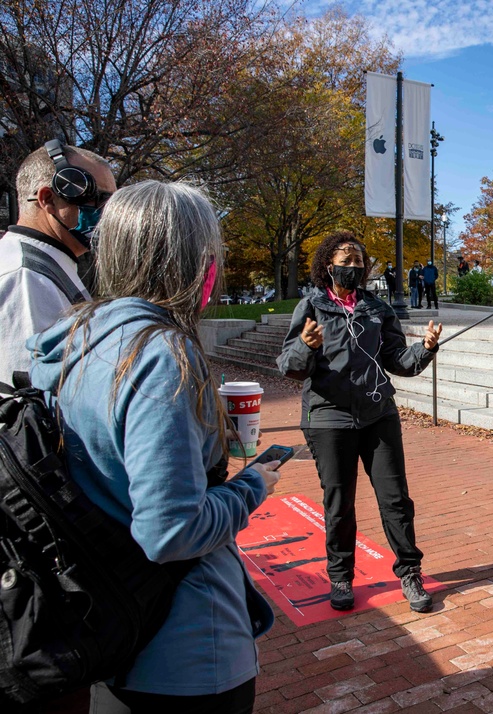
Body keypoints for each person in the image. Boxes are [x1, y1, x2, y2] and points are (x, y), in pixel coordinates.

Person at [27, 181, 278, 712]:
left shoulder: (76, 334)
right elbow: (172, 530)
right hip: (186, 647)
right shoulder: (161, 355)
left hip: (109, 621)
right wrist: (254, 485)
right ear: (195, 262)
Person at [277, 232, 442, 613]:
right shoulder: (312, 305)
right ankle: (340, 576)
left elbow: (399, 359)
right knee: (339, 504)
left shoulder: (376, 307)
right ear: (327, 265)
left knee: (395, 499)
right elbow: (289, 366)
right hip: (328, 419)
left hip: (377, 413)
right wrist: (306, 344)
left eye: (358, 262)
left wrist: (426, 348)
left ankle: (410, 571)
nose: (352, 267)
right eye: (345, 260)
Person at [0, 140, 116, 390]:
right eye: (98, 199)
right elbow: (27, 401)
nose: (108, 214)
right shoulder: (26, 277)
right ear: (48, 199)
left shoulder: (47, 263)